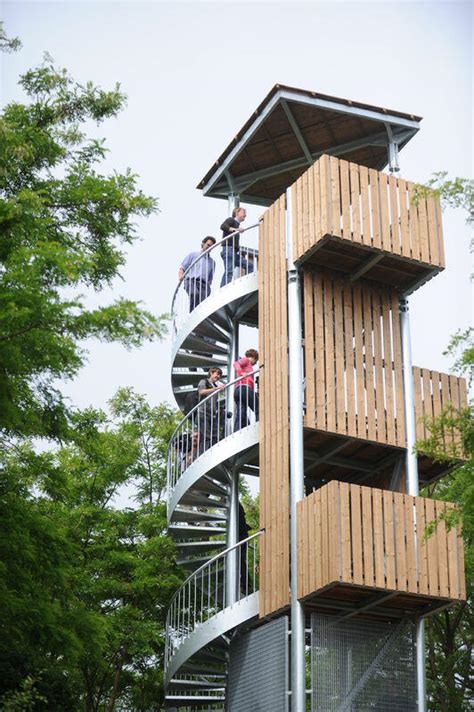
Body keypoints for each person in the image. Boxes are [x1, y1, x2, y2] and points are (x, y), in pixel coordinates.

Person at [178, 236, 216, 311]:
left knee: (203, 304)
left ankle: (200, 319)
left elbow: (210, 278)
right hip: (191, 281)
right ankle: (192, 315)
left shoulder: (212, 262)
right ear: (203, 244)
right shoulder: (193, 255)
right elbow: (182, 268)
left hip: (204, 285)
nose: (210, 247)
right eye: (208, 245)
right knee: (194, 294)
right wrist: (180, 276)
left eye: (212, 246)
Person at [220, 207, 253, 287]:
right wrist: (236, 230)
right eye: (243, 212)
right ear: (237, 213)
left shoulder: (237, 225)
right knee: (229, 271)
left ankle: (246, 285)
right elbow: (223, 226)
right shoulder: (231, 220)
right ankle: (223, 289)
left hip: (233, 252)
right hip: (228, 250)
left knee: (250, 265)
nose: (245, 214)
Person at [197, 367, 225, 451]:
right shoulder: (204, 381)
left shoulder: (215, 386)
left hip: (212, 415)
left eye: (220, 375)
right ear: (211, 373)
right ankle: (204, 454)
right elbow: (201, 391)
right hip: (203, 412)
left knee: (215, 435)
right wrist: (216, 389)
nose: (218, 376)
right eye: (217, 373)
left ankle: (213, 452)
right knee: (206, 435)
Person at [233, 349, 259, 432]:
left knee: (241, 412)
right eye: (256, 361)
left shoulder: (247, 364)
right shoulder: (247, 360)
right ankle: (260, 426)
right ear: (254, 358)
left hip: (238, 389)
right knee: (258, 408)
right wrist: (241, 373)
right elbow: (236, 364)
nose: (255, 363)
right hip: (244, 388)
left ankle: (237, 431)